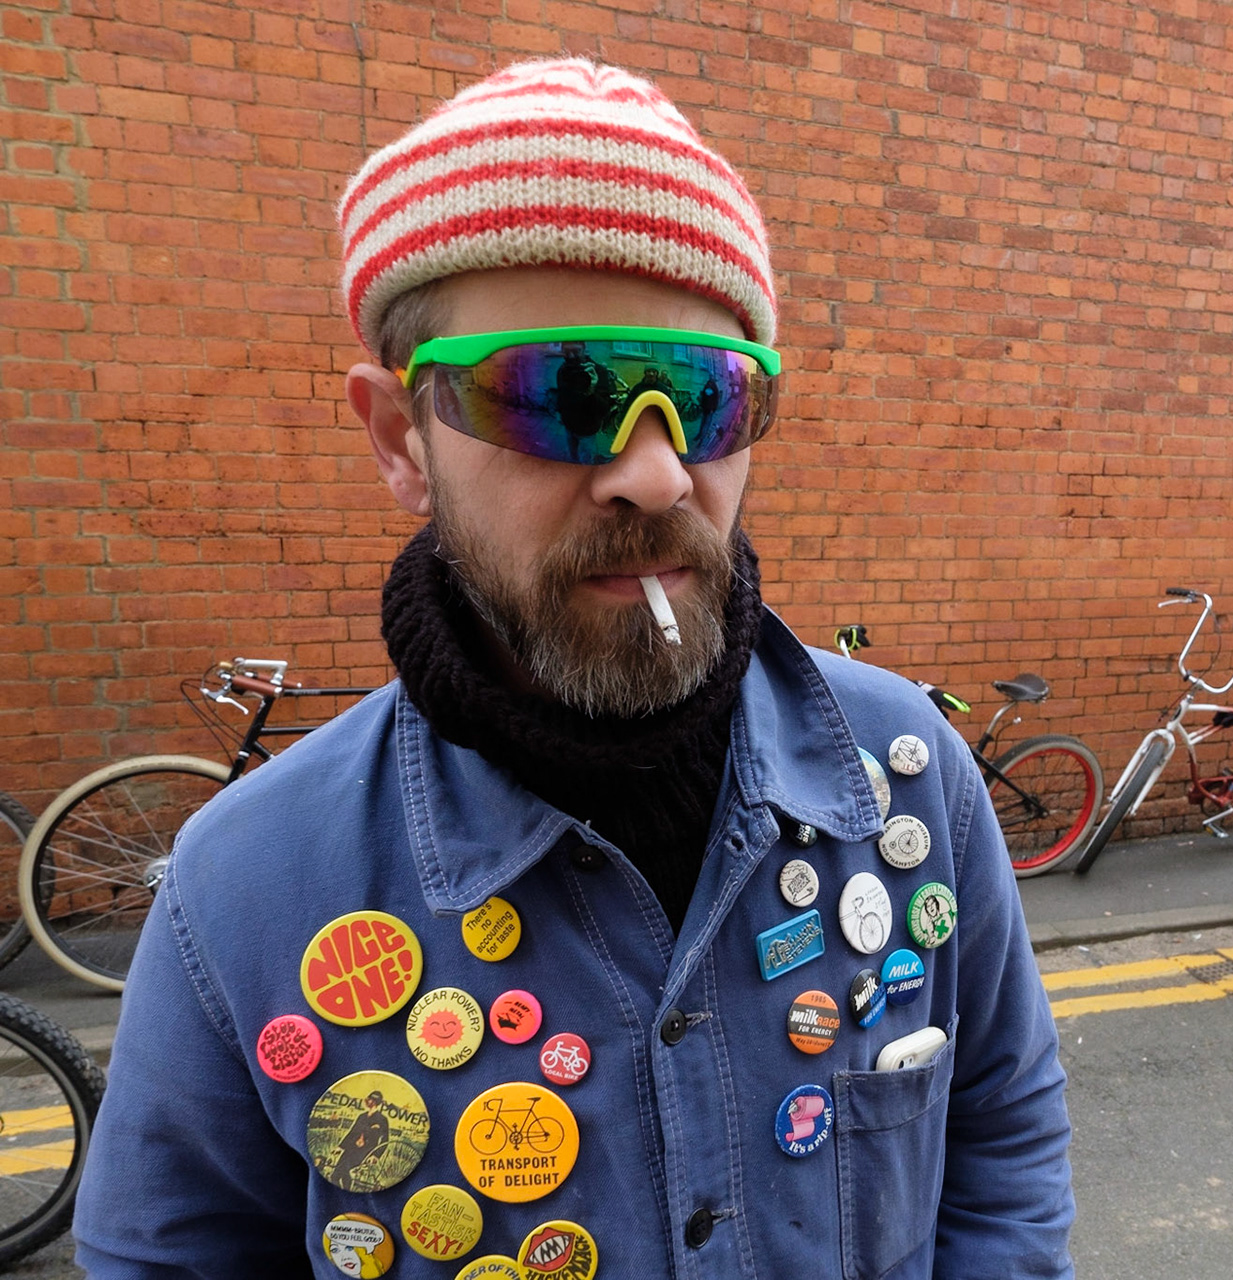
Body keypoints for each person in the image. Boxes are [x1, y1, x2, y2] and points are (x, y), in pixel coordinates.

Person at [75, 58, 1074, 1276]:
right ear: (400, 439)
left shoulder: (910, 774)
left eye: (707, 396)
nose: (656, 474)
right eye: (565, 390)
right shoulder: (244, 886)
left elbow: (1001, 1138)